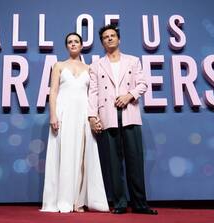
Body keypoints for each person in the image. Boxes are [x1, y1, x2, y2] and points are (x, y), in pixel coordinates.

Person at [88, 24, 158, 215]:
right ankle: (119, 203)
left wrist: (129, 95)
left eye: (112, 35)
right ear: (102, 42)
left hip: (130, 114)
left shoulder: (133, 61)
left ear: (119, 39)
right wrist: (92, 116)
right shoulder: (96, 65)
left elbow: (143, 83)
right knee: (113, 162)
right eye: (105, 37)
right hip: (107, 115)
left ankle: (140, 204)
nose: (109, 38)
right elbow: (93, 92)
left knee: (135, 161)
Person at [41, 32, 109, 213]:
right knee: (64, 154)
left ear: (81, 45)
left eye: (76, 41)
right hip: (63, 114)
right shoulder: (58, 66)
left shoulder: (89, 68)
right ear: (66, 46)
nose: (73, 44)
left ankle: (78, 201)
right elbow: (53, 92)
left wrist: (93, 117)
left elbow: (93, 96)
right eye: (70, 42)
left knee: (82, 157)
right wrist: (53, 115)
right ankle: (63, 199)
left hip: (83, 115)